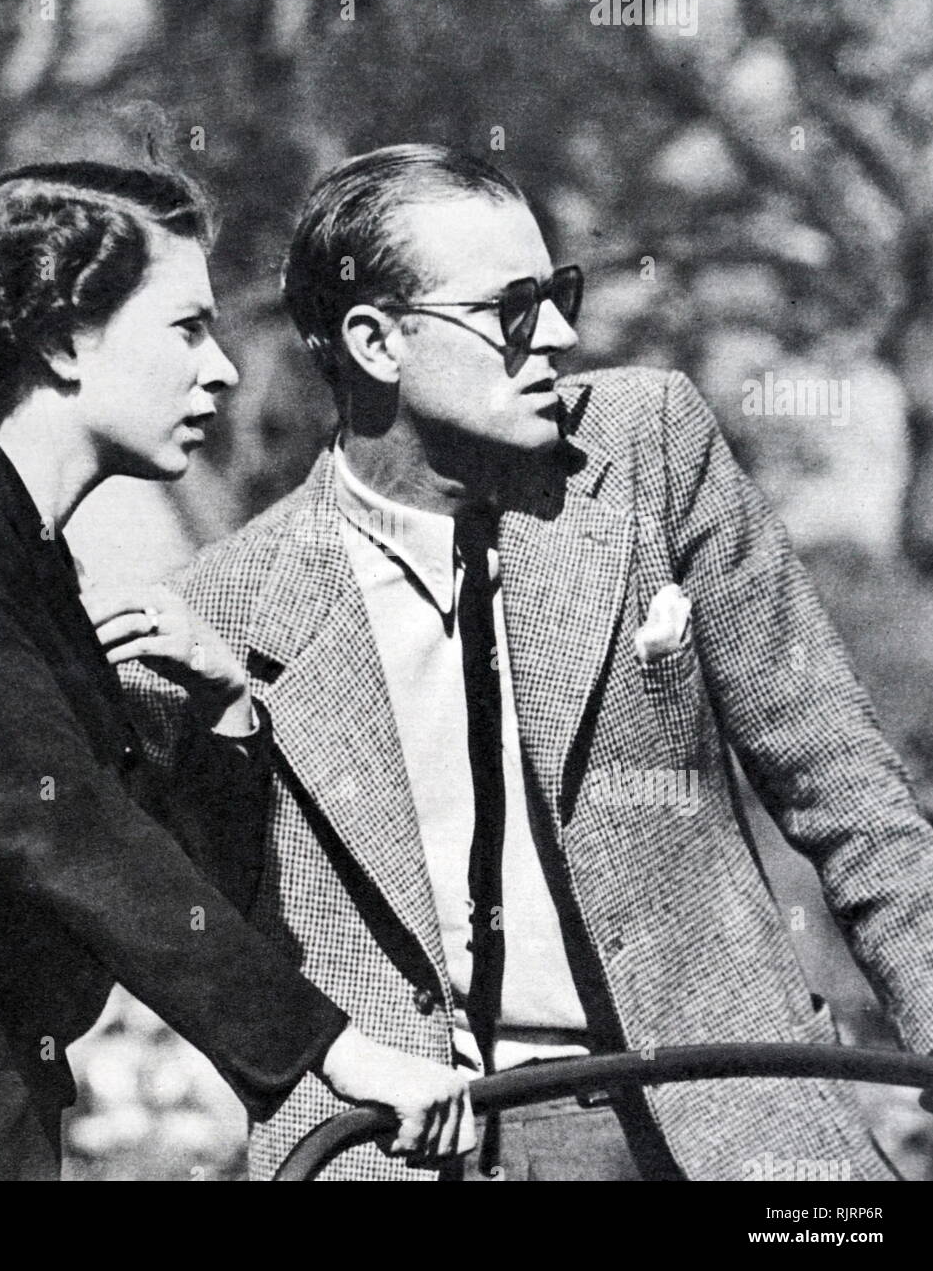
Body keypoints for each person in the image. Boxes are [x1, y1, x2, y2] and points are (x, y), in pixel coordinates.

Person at [115, 143, 933, 1180]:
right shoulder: (223, 608)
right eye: (510, 309)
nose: (556, 333)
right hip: (403, 1152)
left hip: (727, 1124)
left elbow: (846, 791)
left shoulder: (646, 449)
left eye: (558, 293)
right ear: (374, 341)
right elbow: (193, 924)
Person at [0, 159, 473, 1181]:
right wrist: (340, 1052)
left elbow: (167, 877)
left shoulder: (31, 569)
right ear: (60, 339)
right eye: (186, 327)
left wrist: (228, 712)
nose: (222, 370)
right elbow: (64, 833)